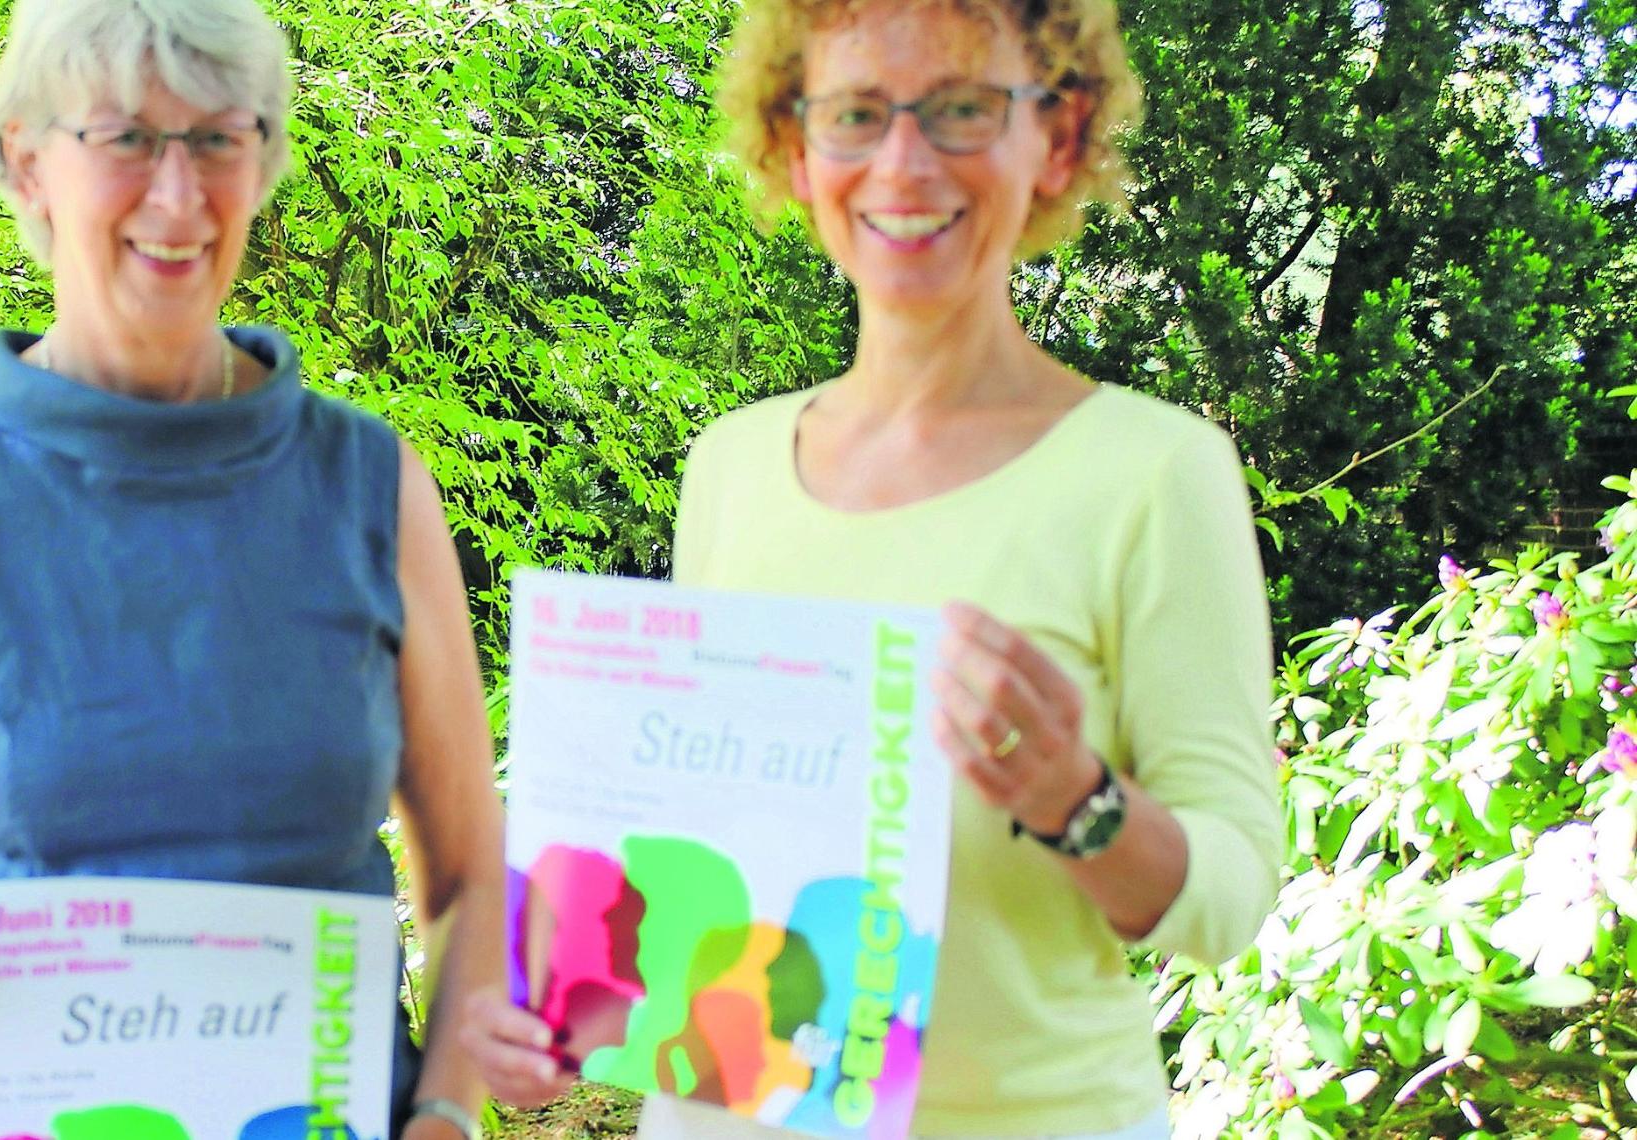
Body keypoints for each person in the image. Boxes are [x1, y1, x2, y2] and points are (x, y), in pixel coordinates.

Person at [462, 1, 1281, 1137]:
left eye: (960, 108)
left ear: (1058, 132)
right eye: (856, 113)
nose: (903, 162)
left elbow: (1230, 899)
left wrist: (1073, 800)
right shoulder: (730, 466)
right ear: (795, 148)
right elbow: (712, 885)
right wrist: (567, 1006)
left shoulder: (1158, 474)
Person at [0, 2, 505, 1137]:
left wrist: (450, 1111)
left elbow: (469, 882)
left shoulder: (373, 483)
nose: (178, 194)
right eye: (125, 138)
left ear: (263, 163)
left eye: (219, 137)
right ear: (27, 159)